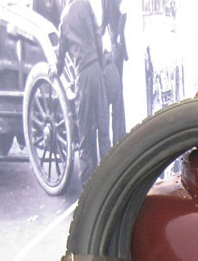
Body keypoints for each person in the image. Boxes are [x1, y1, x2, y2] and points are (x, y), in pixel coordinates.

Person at [56, 0, 110, 187]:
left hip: (83, 76)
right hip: (96, 70)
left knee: (86, 134)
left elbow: (61, 51)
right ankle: (109, 181)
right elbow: (98, 36)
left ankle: (88, 187)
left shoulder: (65, 17)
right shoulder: (85, 4)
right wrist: (101, 67)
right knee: (103, 131)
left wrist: (56, 69)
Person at [100, 0, 126, 142]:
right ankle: (119, 138)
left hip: (114, 48)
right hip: (116, 48)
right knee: (117, 97)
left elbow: (104, 23)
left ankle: (118, 138)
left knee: (116, 96)